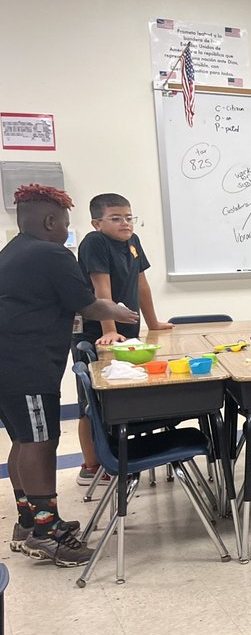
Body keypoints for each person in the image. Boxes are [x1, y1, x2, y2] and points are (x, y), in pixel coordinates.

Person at [2, 184, 138, 565]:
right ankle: (46, 533)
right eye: (65, 222)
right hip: (27, 366)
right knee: (40, 443)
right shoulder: (51, 253)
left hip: (10, 365)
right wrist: (120, 312)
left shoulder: (13, 251)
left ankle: (28, 522)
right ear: (50, 221)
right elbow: (88, 305)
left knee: (23, 440)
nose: (66, 229)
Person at [73, 192, 172, 488]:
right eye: (115, 218)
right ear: (96, 223)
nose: (125, 223)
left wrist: (152, 322)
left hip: (124, 333)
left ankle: (121, 456)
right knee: (93, 403)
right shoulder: (95, 242)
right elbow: (100, 289)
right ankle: (91, 466)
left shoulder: (133, 241)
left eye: (129, 217)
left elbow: (142, 285)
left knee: (123, 396)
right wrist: (108, 329)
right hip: (96, 333)